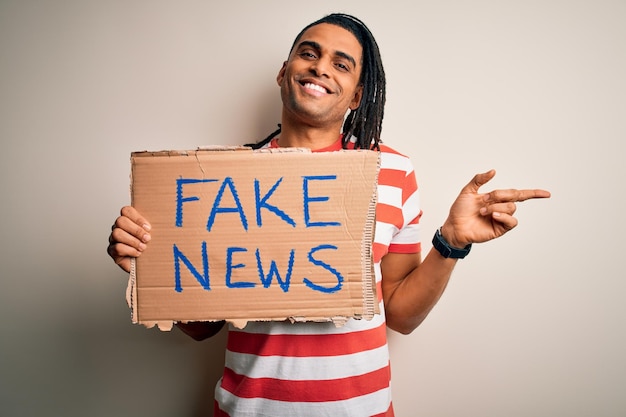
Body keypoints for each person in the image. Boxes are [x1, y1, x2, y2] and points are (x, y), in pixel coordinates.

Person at [107, 13, 550, 417]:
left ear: (357, 96)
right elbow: (202, 329)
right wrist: (147, 264)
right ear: (285, 73)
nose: (320, 67)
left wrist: (451, 242)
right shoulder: (224, 179)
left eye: (341, 63)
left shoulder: (393, 172)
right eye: (309, 53)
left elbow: (400, 315)